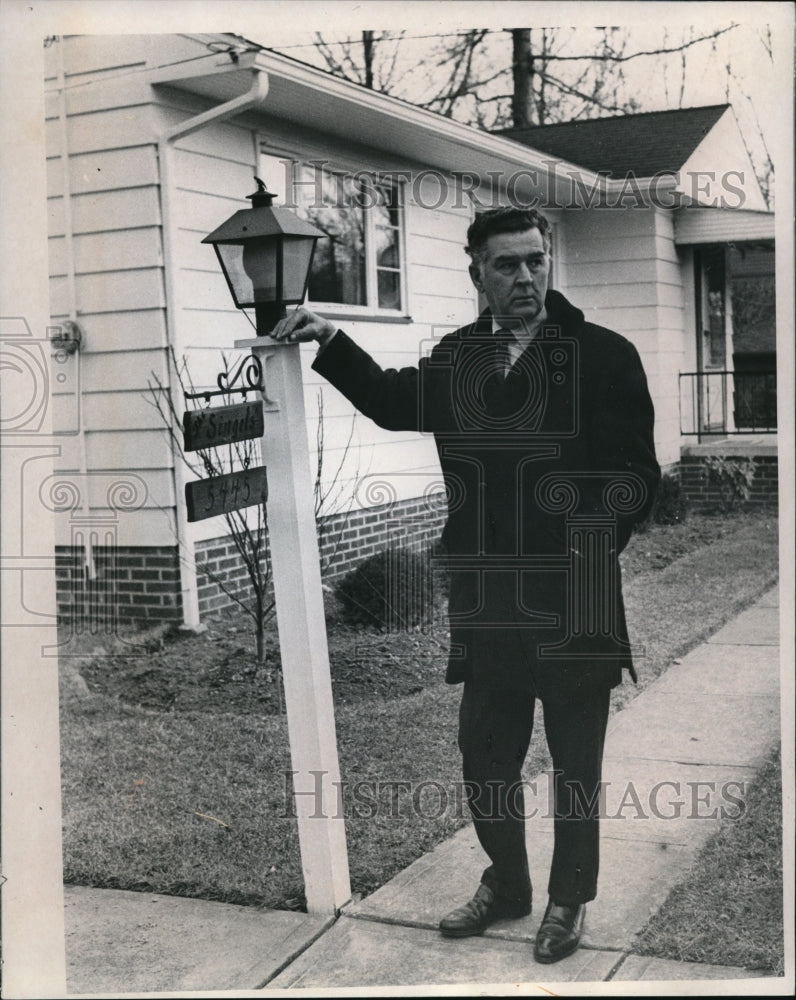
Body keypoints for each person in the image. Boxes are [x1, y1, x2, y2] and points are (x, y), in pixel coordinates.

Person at [272, 207, 660, 964]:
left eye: (535, 260)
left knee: (576, 764)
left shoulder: (603, 355)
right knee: (485, 757)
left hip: (574, 595)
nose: (525, 277)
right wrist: (329, 336)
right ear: (477, 273)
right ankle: (508, 886)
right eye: (507, 264)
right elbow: (391, 401)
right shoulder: (457, 359)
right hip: (489, 599)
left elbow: (635, 477)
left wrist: (586, 541)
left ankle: (567, 899)